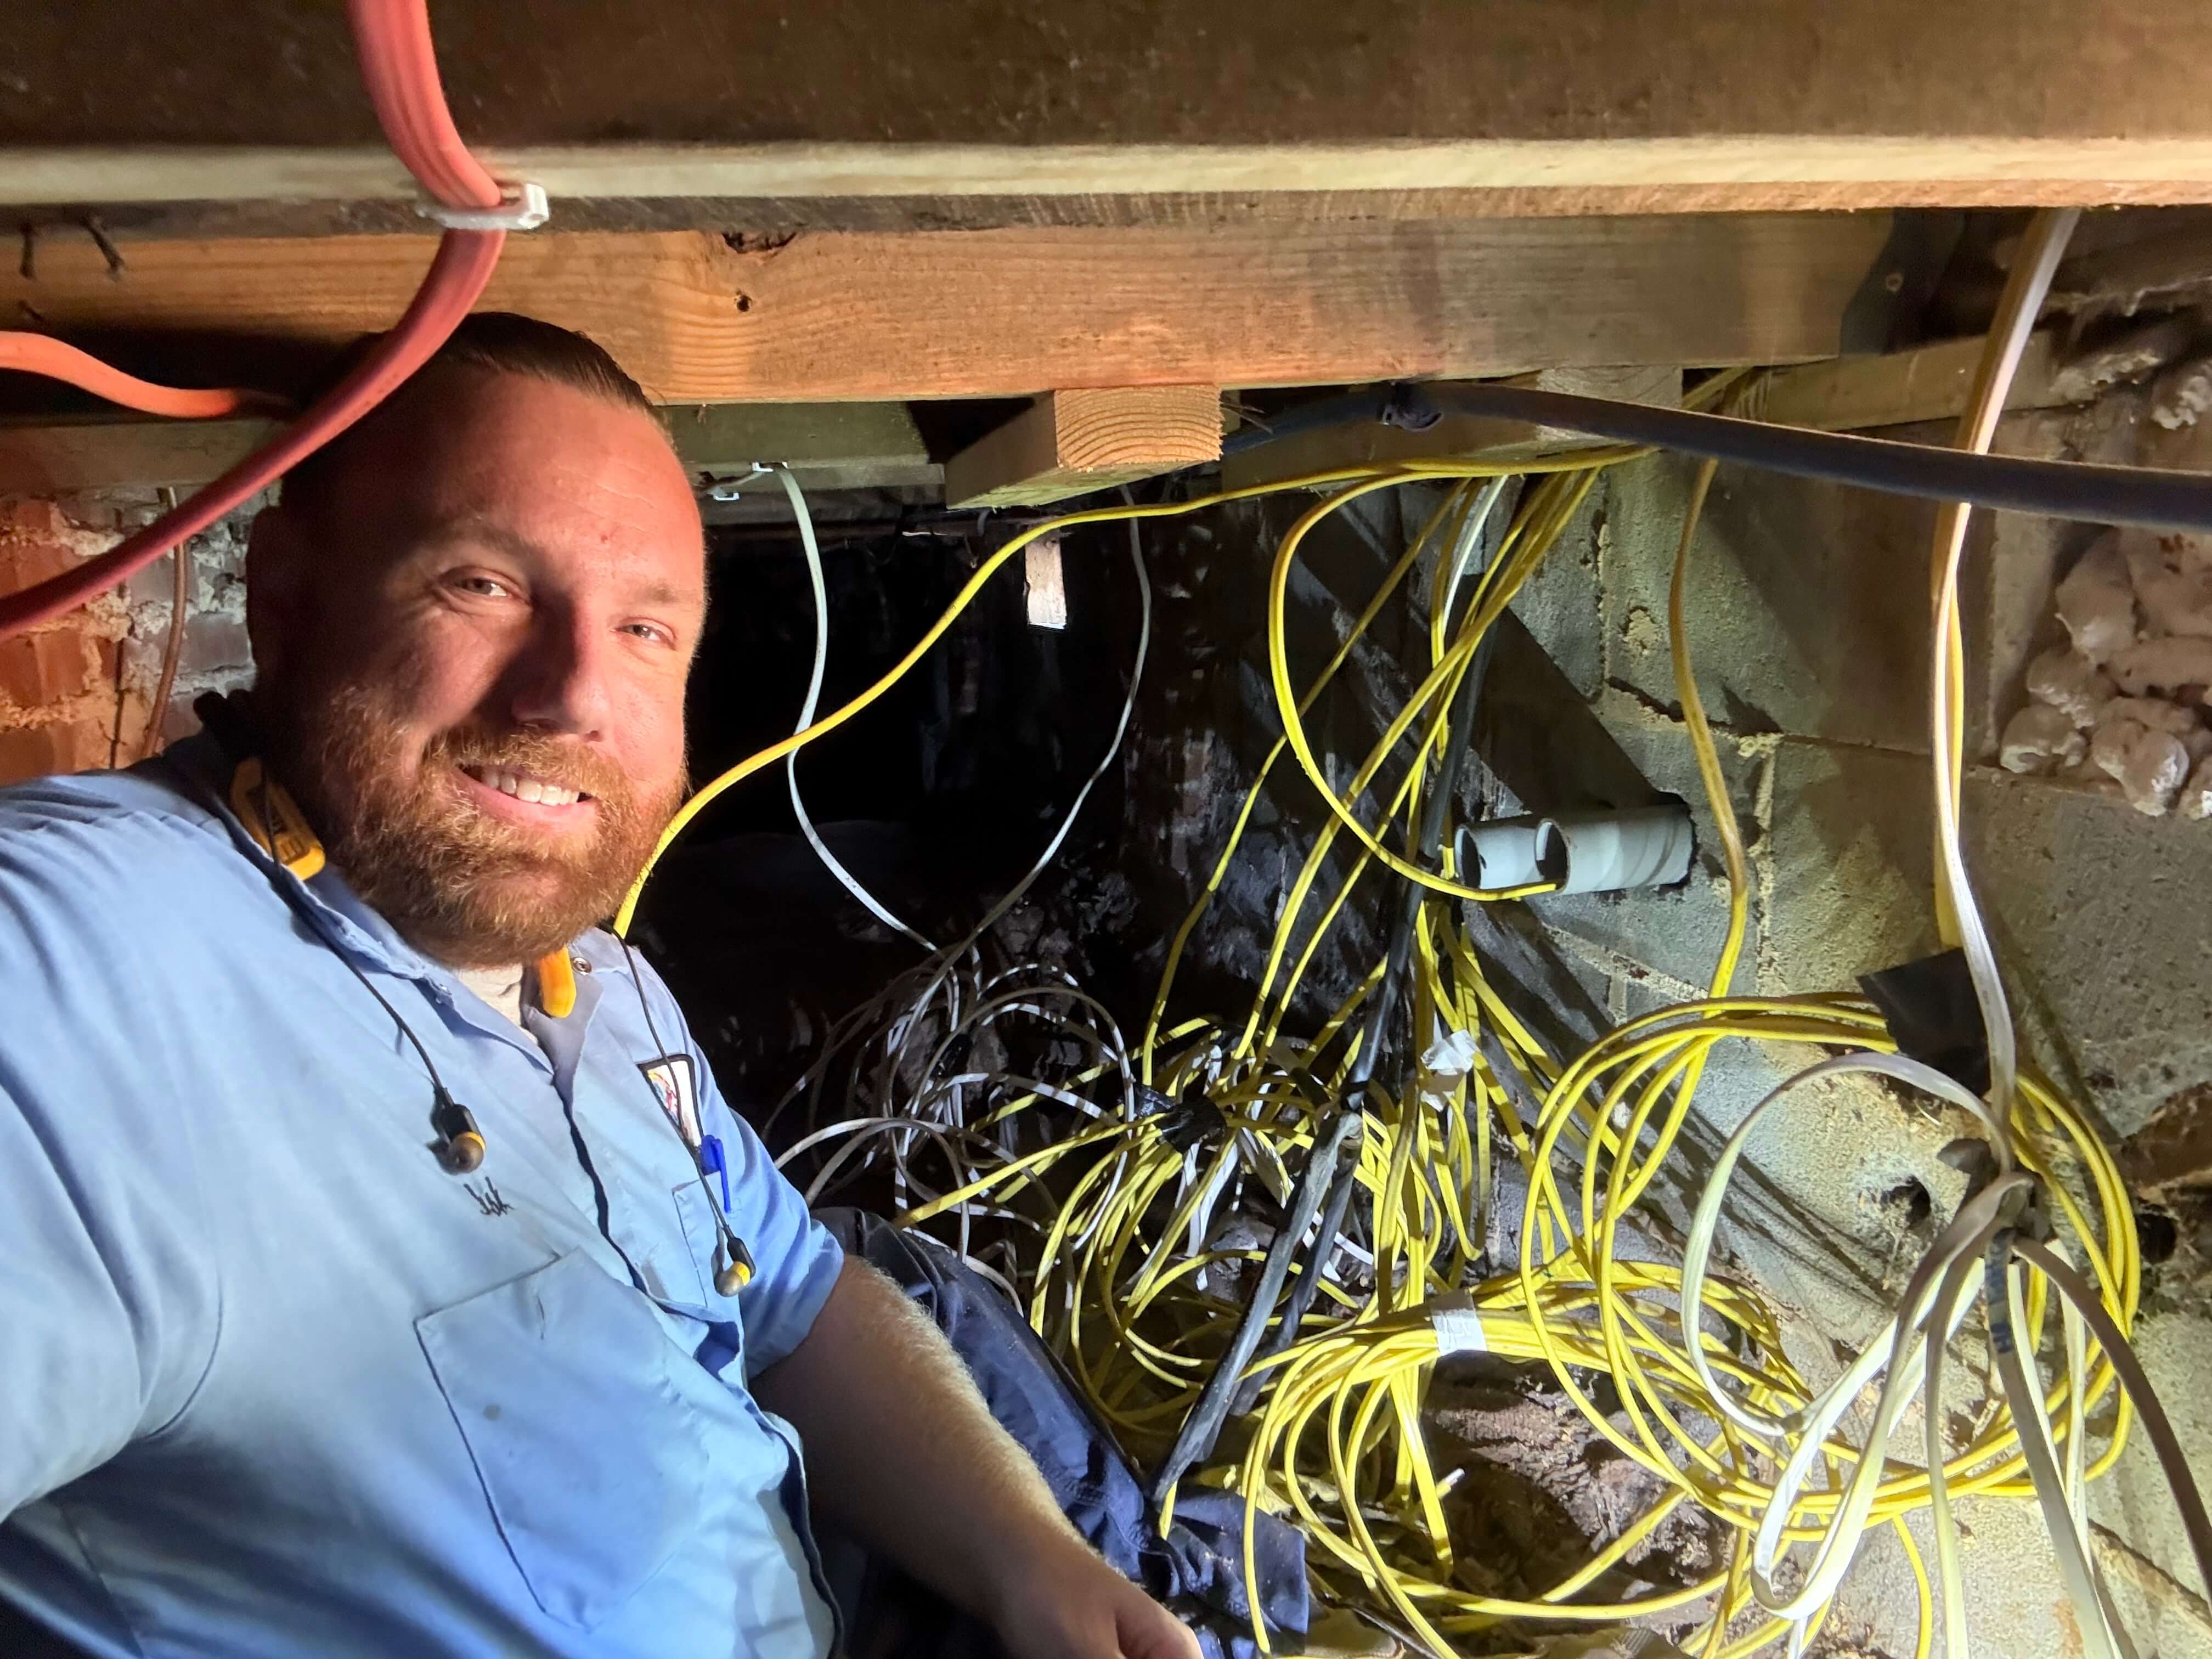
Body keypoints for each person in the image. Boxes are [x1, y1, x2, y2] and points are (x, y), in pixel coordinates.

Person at [0, 314, 1203, 1659]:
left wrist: (1029, 1560)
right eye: (482, 585)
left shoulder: (603, 990)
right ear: (281, 599)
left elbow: (796, 1300)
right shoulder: (90, 964)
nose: (573, 695)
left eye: (643, 629)